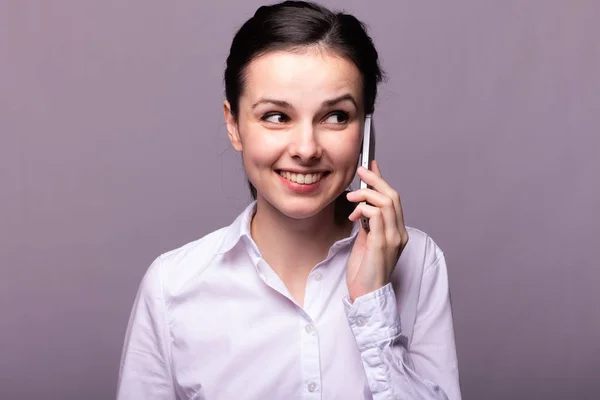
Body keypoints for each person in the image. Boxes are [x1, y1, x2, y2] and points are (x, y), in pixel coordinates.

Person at [116, 1, 461, 399]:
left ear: (366, 129)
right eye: (277, 116)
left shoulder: (419, 262)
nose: (306, 148)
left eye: (335, 116)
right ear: (234, 125)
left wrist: (373, 303)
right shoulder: (172, 286)